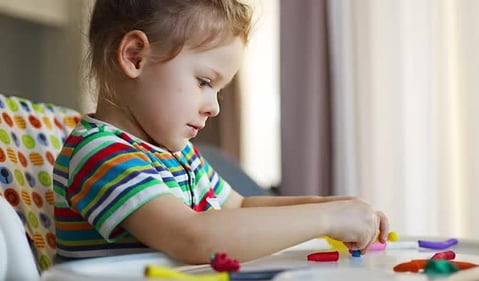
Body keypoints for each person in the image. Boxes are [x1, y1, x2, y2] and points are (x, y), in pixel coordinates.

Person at [53, 0, 389, 265]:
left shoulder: (175, 151)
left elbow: (238, 208)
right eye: (204, 82)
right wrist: (326, 218)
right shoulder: (99, 153)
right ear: (135, 56)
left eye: (219, 91)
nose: (214, 107)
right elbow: (192, 237)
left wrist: (336, 205)